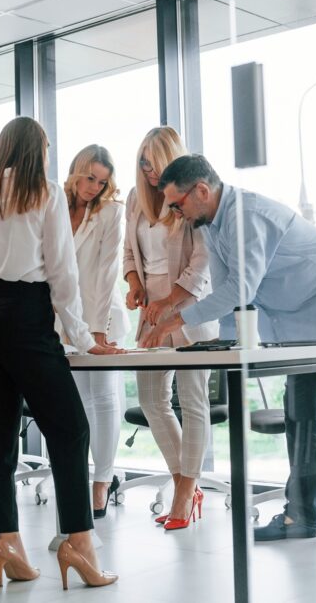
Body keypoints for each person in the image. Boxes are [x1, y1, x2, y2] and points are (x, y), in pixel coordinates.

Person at [143, 154, 316, 546]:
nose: (175, 212)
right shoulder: (212, 225)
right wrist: (215, 339)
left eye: (177, 203)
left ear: (201, 191)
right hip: (301, 320)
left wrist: (177, 321)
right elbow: (230, 295)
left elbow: (242, 288)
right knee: (301, 415)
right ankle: (301, 516)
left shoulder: (246, 215)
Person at [0, 117, 121, 590]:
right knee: (70, 429)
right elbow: (62, 275)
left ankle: (7, 539)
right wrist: (84, 337)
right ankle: (80, 544)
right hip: (24, 313)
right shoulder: (43, 192)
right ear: (38, 150)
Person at [124, 127, 219, 531]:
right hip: (151, 308)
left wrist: (169, 302)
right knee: (151, 399)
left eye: (153, 163)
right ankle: (184, 481)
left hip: (189, 306)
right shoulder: (135, 199)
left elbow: (202, 261)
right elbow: (129, 251)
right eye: (143, 163)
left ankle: (185, 490)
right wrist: (133, 284)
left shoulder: (191, 199)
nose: (147, 172)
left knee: (192, 401)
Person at [60, 144, 129, 518]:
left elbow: (106, 272)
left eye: (102, 182)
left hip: (102, 316)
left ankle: (101, 482)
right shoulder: (55, 205)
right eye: (89, 178)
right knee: (80, 401)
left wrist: (98, 330)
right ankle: (94, 473)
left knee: (102, 398)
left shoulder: (111, 212)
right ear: (76, 170)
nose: (94, 187)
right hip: (65, 322)